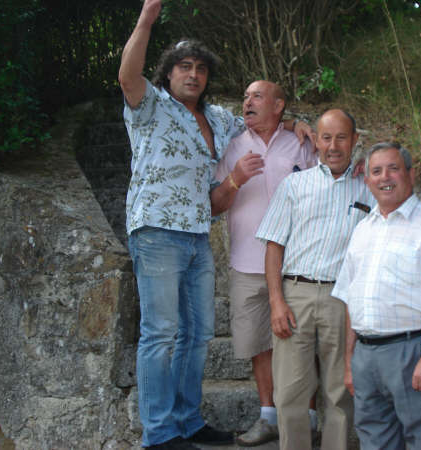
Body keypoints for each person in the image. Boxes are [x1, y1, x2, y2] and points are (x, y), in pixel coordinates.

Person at [118, 1, 312, 448]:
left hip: (197, 236)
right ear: (168, 74)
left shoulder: (221, 120)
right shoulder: (150, 106)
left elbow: (263, 120)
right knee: (160, 334)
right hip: (156, 233)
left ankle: (188, 420)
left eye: (201, 69)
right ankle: (159, 432)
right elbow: (128, 76)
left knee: (199, 333)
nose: (193, 75)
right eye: (184, 67)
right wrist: (147, 18)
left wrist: (297, 122)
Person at [332, 142, 421, 450]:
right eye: (376, 171)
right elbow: (350, 300)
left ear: (410, 174)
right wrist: (350, 362)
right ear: (367, 180)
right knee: (374, 442)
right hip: (366, 358)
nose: (384, 177)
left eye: (393, 169)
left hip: (414, 352)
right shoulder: (362, 230)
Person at [255, 109, 376, 450]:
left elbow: (401, 208)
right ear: (316, 142)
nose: (333, 146)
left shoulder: (369, 189)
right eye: (326, 138)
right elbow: (274, 246)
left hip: (343, 300)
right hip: (296, 296)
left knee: (340, 390)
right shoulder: (295, 185)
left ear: (354, 141)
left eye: (341, 138)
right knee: (290, 390)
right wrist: (276, 302)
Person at [211, 80, 319, 446]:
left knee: (302, 342)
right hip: (246, 263)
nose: (248, 102)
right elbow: (214, 205)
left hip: (297, 263)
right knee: (259, 343)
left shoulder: (301, 143)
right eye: (245, 96)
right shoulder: (232, 146)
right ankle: (269, 417)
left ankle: (309, 419)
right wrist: (235, 179)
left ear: (278, 105)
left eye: (257, 96)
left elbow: (329, 184)